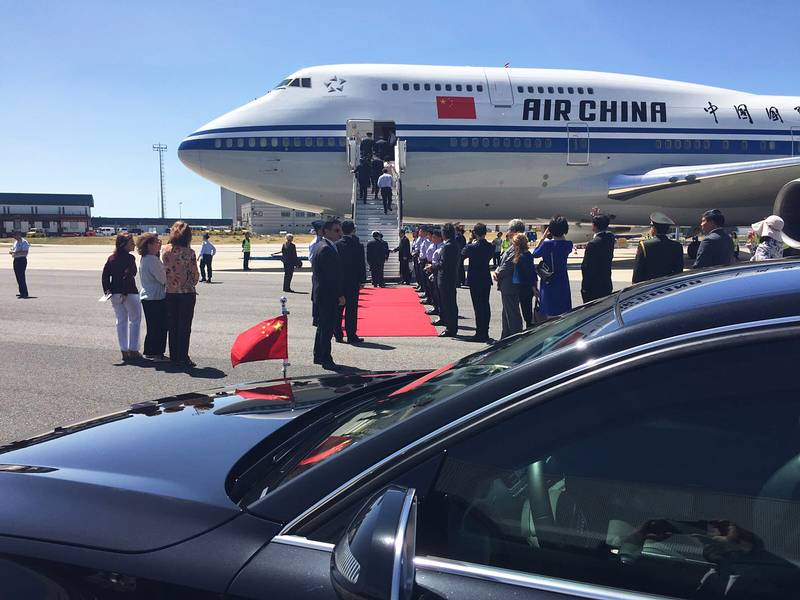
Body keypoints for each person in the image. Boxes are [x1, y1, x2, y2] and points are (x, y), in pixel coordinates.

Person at [162, 221, 200, 368]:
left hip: (170, 292)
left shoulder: (165, 250)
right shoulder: (189, 252)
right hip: (186, 293)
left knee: (172, 324)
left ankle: (174, 355)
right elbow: (195, 275)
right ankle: (183, 356)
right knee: (184, 326)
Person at [102, 232, 142, 362]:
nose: (134, 245)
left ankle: (124, 350)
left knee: (121, 321)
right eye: (131, 243)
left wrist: (108, 291)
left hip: (114, 293)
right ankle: (133, 349)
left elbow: (105, 276)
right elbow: (131, 273)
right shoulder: (130, 258)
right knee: (135, 321)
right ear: (124, 245)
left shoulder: (111, 258)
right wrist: (125, 291)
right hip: (129, 292)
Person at [312, 218, 345, 370]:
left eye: (340, 230)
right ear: (326, 231)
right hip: (327, 295)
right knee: (327, 328)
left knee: (322, 326)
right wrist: (339, 295)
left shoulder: (323, 246)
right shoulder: (326, 248)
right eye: (337, 230)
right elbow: (330, 276)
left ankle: (318, 355)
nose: (340, 233)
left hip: (322, 294)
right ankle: (326, 358)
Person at [533, 216, 573, 318]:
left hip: (549, 279)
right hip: (562, 279)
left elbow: (535, 253)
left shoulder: (547, 245)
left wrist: (543, 237)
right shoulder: (568, 244)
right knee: (564, 311)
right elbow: (563, 240)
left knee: (550, 312)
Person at [136, 233, 168, 361]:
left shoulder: (146, 258)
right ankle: (156, 353)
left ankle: (150, 351)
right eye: (156, 242)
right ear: (149, 245)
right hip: (155, 297)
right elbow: (163, 278)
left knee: (153, 326)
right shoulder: (152, 260)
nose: (159, 244)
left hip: (148, 296)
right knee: (159, 326)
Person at [494, 219, 527, 338]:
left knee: (512, 313)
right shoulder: (514, 245)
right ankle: (506, 337)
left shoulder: (516, 247)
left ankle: (515, 338)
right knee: (507, 312)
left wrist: (498, 273)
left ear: (514, 231)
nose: (507, 232)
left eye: (509, 229)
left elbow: (508, 265)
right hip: (507, 284)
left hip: (510, 285)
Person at [461, 222, 494, 342]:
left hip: (475, 279)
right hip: (485, 278)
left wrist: (470, 241)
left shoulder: (471, 247)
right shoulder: (490, 246)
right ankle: (485, 331)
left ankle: (480, 332)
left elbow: (462, 254)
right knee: (485, 305)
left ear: (474, 233)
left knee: (478, 306)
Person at [335, 220, 366, 344]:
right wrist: (362, 280)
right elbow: (361, 264)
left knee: (339, 309)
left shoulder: (337, 245)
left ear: (341, 230)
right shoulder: (358, 245)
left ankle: (338, 334)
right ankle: (351, 335)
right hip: (353, 282)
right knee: (352, 310)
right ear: (353, 230)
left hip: (340, 281)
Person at [632, 212, 685, 283]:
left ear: (654, 228)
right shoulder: (677, 246)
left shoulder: (644, 245)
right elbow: (679, 270)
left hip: (649, 286)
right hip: (668, 285)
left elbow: (638, 270)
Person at [580, 213, 615, 302]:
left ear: (594, 226)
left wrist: (585, 287)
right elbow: (605, 231)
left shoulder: (592, 244)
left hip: (593, 288)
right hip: (606, 284)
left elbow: (587, 267)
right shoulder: (610, 238)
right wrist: (596, 218)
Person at [434, 223, 460, 337]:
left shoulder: (448, 246)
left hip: (446, 279)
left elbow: (444, 264)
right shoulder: (453, 244)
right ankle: (450, 325)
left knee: (449, 304)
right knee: (450, 303)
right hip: (450, 278)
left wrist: (432, 267)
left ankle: (451, 328)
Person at [513, 233, 538, 328]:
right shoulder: (527, 254)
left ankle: (529, 329)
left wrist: (533, 288)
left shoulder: (522, 256)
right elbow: (532, 272)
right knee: (527, 309)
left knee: (526, 311)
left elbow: (529, 273)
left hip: (524, 286)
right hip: (527, 285)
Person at [308, 220, 324, 326]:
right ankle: (316, 317)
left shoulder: (322, 240)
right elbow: (312, 258)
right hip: (318, 272)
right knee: (317, 295)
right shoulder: (315, 243)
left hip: (322, 272)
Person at [9, 231, 29, 298]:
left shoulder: (24, 242)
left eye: (15, 235)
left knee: (21, 277)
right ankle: (21, 291)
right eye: (14, 236)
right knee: (18, 277)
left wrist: (15, 252)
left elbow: (25, 252)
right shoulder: (15, 242)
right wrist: (12, 251)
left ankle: (25, 293)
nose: (14, 237)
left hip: (22, 260)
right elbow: (12, 249)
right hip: (16, 260)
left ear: (19, 235)